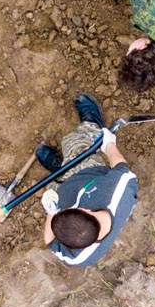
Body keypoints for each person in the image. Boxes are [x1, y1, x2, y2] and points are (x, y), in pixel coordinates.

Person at [40, 94, 138, 267]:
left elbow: (50, 241)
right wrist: (108, 144)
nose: (64, 206)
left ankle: (62, 170)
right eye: (65, 209)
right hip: (90, 173)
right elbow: (121, 168)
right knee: (74, 143)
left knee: (55, 183)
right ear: (87, 209)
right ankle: (93, 126)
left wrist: (51, 211)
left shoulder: (76, 257)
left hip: (68, 185)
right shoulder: (118, 190)